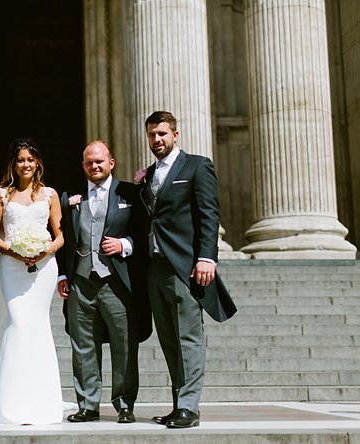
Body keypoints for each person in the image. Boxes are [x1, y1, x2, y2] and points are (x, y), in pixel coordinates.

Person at [139, 111, 237, 429]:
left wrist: (207, 257)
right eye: (152, 135)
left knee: (188, 337)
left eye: (163, 134)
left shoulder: (197, 165)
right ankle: (179, 403)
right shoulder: (148, 174)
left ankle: (190, 407)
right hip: (154, 267)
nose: (157, 140)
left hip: (184, 266)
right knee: (169, 339)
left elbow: (209, 213)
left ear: (175, 135)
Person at [0, 138, 65, 424]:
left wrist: (43, 251)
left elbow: (60, 235)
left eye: (30, 160)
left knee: (38, 328)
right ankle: (9, 403)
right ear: (14, 163)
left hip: (43, 268)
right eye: (21, 160)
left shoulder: (50, 195)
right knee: (17, 323)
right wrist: (16, 251)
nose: (26, 165)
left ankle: (40, 401)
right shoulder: (1, 194)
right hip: (11, 267)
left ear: (38, 164)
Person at [57, 140, 148, 424]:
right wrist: (62, 274)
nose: (94, 166)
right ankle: (87, 404)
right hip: (80, 281)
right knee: (83, 345)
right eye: (89, 162)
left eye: (99, 161)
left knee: (123, 344)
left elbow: (144, 232)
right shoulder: (70, 197)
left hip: (116, 282)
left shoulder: (131, 194)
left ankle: (124, 404)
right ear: (83, 165)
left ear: (111, 162)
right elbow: (63, 238)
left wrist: (124, 244)